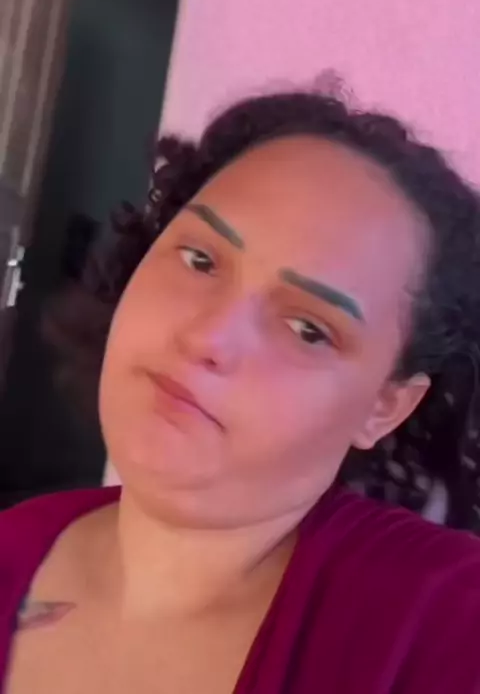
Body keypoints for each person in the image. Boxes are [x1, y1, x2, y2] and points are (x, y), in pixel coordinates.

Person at [1, 90, 480, 694]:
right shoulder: (12, 545)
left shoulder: (450, 628)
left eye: (309, 329)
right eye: (201, 259)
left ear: (386, 406)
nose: (209, 337)